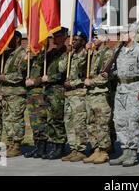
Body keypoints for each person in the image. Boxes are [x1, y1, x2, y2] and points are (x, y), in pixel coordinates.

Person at [109, 23, 139, 167]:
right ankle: (125, 151)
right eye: (120, 32)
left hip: (134, 89)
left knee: (132, 122)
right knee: (119, 121)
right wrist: (109, 74)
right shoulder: (119, 50)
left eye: (124, 32)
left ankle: (133, 153)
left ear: (132, 34)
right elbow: (117, 70)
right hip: (121, 89)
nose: (121, 35)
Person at [82, 29, 114, 164]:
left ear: (106, 38)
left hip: (101, 93)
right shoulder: (92, 53)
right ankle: (96, 149)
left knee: (102, 123)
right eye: (94, 36)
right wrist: (86, 52)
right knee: (91, 123)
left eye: (98, 36)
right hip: (91, 94)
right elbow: (80, 67)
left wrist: (92, 81)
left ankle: (104, 150)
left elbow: (105, 76)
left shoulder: (108, 53)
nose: (95, 38)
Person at [0, 31, 27, 158]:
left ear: (18, 39)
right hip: (7, 94)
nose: (7, 41)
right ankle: (10, 143)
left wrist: (5, 77)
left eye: (10, 38)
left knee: (16, 120)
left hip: (17, 94)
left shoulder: (23, 54)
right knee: (8, 120)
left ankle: (17, 145)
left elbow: (21, 75)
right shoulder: (9, 54)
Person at [60, 32, 88, 162]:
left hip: (78, 93)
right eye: (74, 39)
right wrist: (67, 54)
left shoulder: (85, 55)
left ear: (83, 42)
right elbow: (61, 69)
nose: (74, 42)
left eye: (77, 40)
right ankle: (73, 149)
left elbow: (85, 74)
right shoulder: (71, 54)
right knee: (69, 122)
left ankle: (81, 149)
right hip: (69, 94)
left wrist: (72, 83)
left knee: (79, 122)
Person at [41, 27, 68, 159]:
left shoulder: (66, 53)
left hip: (58, 90)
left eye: (57, 36)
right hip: (49, 90)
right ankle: (53, 144)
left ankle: (60, 146)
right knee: (50, 119)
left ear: (64, 37)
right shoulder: (51, 53)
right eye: (53, 36)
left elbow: (63, 73)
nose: (54, 39)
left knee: (57, 119)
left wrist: (50, 78)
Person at [23, 48, 48, 158]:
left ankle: (43, 148)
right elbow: (21, 70)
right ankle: (37, 147)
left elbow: (46, 76)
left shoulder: (45, 57)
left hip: (39, 93)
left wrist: (34, 81)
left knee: (40, 121)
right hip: (30, 94)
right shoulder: (31, 58)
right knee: (34, 122)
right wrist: (25, 59)